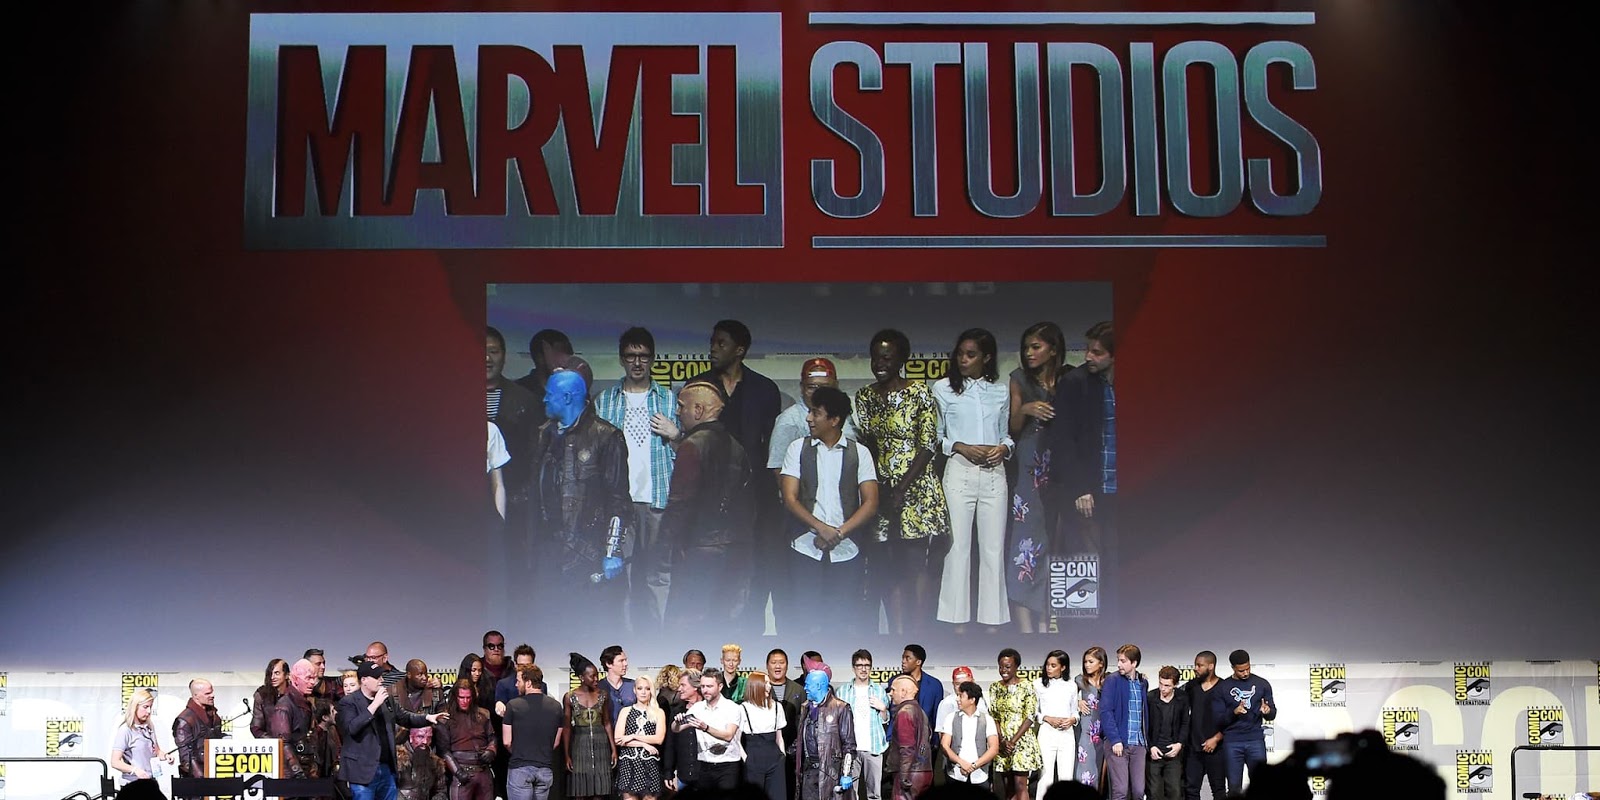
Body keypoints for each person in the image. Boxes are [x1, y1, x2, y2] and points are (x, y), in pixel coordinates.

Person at [691, 319, 782, 636]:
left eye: (721, 343)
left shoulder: (764, 389)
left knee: (753, 572)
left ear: (740, 350)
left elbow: (771, 447)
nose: (713, 349)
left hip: (756, 498)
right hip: (709, 499)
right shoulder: (699, 387)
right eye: (712, 342)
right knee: (714, 575)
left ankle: (751, 643)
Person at [855, 330, 948, 636]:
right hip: (881, 490)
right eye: (875, 358)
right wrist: (880, 487)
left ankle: (916, 635)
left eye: (886, 358)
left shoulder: (919, 392)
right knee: (887, 564)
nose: (879, 364)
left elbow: (928, 444)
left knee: (914, 563)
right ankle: (896, 634)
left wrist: (902, 488)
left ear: (901, 360)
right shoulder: (865, 396)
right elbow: (867, 443)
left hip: (917, 489)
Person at [594, 327, 680, 630]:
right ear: (621, 359)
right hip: (619, 502)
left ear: (653, 358)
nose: (637, 362)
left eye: (643, 356)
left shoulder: (669, 400)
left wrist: (676, 435)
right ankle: (625, 642)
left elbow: (688, 455)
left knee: (659, 574)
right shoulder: (605, 401)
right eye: (631, 356)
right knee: (622, 575)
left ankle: (662, 640)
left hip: (658, 498)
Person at [529, 369, 632, 615]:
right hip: (549, 549)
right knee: (548, 621)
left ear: (567, 397)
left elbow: (618, 498)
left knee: (587, 621)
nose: (544, 399)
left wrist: (612, 551)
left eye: (549, 394)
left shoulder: (606, 436)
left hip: (587, 550)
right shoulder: (544, 434)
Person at [779, 387, 880, 633]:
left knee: (840, 622)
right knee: (805, 620)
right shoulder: (797, 449)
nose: (809, 418)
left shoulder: (859, 453)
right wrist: (820, 528)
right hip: (805, 546)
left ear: (834, 420)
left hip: (847, 548)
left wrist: (839, 533)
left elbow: (870, 502)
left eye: (816, 413)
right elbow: (790, 498)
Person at [934, 328, 1014, 628]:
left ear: (987, 357)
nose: (963, 360)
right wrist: (960, 447)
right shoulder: (942, 388)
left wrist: (1004, 449)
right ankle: (956, 621)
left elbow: (1006, 434)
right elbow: (936, 437)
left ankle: (993, 621)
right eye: (960, 354)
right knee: (957, 548)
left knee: (993, 549)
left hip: (994, 474)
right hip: (959, 471)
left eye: (971, 355)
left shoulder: (1000, 390)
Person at [661, 379, 755, 626]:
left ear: (698, 410)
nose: (677, 412)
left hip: (698, 551)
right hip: (737, 548)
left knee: (689, 625)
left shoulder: (692, 446)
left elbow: (680, 503)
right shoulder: (737, 447)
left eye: (682, 406)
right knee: (724, 624)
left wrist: (665, 544)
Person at [1045, 322, 1116, 618]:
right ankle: (1082, 633)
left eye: (1097, 352)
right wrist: (1080, 487)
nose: (1088, 356)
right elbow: (1063, 440)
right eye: (1088, 350)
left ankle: (1121, 627)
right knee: (1082, 563)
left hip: (1123, 489)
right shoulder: (1075, 383)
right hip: (1088, 490)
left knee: (1118, 562)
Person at [1005, 322, 1069, 631]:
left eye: (1036, 347)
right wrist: (1027, 409)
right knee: (1026, 543)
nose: (1029, 353)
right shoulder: (1019, 379)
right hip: (1029, 465)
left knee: (1055, 542)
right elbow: (1013, 427)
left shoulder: (1070, 378)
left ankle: (1047, 622)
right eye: (1026, 347)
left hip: (1060, 465)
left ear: (1053, 350)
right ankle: (1025, 627)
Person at [337, 661, 449, 800]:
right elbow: (351, 728)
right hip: (362, 771)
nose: (381, 680)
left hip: (386, 768)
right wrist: (374, 705)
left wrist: (427, 717)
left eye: (381, 676)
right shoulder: (349, 702)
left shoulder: (386, 699)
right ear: (364, 680)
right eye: (377, 677)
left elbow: (405, 717)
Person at [1208, 649, 1275, 796]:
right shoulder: (1222, 688)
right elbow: (1218, 720)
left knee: (1261, 785)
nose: (1245, 673)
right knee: (1233, 787)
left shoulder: (1262, 684)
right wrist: (1234, 712)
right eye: (1241, 671)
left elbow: (1272, 714)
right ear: (1233, 668)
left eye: (1248, 668)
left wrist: (1267, 711)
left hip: (1255, 740)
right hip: (1232, 742)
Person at [674, 667, 743, 792]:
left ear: (720, 686)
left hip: (728, 765)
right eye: (703, 686)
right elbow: (676, 729)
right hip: (705, 765)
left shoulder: (732, 708)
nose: (705, 690)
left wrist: (706, 728)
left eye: (709, 686)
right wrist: (677, 722)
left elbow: (728, 735)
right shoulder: (697, 708)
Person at [504, 664, 564, 800]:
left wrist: (520, 753)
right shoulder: (556, 707)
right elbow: (555, 742)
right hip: (545, 769)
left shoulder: (513, 705)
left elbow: (507, 742)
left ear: (528, 683)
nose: (516, 685)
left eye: (518, 681)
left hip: (520, 769)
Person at [795, 668, 857, 800]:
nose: (805, 688)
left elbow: (849, 745)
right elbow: (800, 739)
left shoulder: (841, 708)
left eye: (808, 685)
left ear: (819, 685)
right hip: (809, 773)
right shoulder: (805, 707)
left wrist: (846, 774)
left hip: (830, 773)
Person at [1098, 645, 1149, 800]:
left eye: (1123, 661)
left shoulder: (1143, 682)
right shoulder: (1112, 680)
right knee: (1120, 790)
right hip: (1118, 743)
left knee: (1139, 791)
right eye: (1118, 660)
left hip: (1138, 743)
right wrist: (1115, 740)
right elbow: (1106, 711)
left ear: (1134, 663)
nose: (1119, 664)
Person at [564, 652, 617, 800]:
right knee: (580, 790)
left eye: (597, 675)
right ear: (582, 677)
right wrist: (567, 755)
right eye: (592, 676)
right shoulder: (570, 697)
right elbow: (567, 728)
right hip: (579, 745)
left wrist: (613, 749)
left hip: (601, 745)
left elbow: (607, 722)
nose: (596, 679)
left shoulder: (603, 695)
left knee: (600, 790)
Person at [989, 648, 1040, 800]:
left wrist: (1012, 741)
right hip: (1002, 742)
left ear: (1017, 667)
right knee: (1007, 786)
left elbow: (1030, 716)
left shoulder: (1027, 686)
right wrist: (1002, 740)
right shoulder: (995, 687)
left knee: (1020, 785)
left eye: (1007, 666)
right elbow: (994, 716)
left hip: (1021, 740)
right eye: (1001, 667)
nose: (1003, 670)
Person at [438, 678, 496, 800]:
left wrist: (491, 750)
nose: (465, 701)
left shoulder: (483, 714)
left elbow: (492, 737)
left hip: (483, 770)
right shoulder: (445, 718)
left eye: (468, 697)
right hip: (461, 770)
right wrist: (457, 772)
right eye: (461, 697)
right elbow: (444, 751)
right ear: (455, 697)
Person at [1033, 650, 1079, 799]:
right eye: (1047, 665)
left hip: (1067, 734)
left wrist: (1072, 720)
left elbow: (1075, 711)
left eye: (1053, 665)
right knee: (1045, 776)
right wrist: (1047, 718)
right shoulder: (1038, 684)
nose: (1049, 668)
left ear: (1063, 667)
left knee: (1066, 777)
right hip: (1047, 733)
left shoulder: (1071, 685)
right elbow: (1033, 712)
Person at [843, 650, 889, 800]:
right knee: (850, 793)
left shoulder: (879, 690)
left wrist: (883, 709)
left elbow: (885, 720)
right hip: (851, 749)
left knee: (874, 794)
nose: (863, 669)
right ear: (853, 668)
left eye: (867, 665)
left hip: (873, 747)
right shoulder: (843, 691)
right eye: (859, 665)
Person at [1182, 651, 1227, 800]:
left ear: (1211, 666)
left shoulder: (1224, 688)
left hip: (1217, 749)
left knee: (1219, 790)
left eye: (1200, 665)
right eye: (1195, 665)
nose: (1196, 668)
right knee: (1191, 790)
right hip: (1193, 748)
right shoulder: (1191, 686)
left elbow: (1232, 720)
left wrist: (1216, 739)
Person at [616, 674, 667, 800]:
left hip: (649, 763)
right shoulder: (626, 711)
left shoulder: (658, 712)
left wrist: (632, 736)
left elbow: (658, 739)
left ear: (651, 691)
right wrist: (643, 744)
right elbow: (618, 739)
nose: (643, 692)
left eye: (647, 688)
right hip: (628, 763)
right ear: (634, 690)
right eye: (640, 688)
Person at [939, 682, 997, 790]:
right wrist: (961, 763)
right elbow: (944, 745)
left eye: (961, 696)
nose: (957, 699)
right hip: (955, 773)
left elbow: (994, 748)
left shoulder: (987, 720)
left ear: (972, 700)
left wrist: (974, 766)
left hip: (980, 775)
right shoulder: (951, 718)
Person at [111, 688, 174, 785]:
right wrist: (135, 770)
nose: (149, 711)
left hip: (150, 781)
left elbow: (157, 751)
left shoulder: (149, 727)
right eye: (145, 707)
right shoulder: (126, 730)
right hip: (132, 784)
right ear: (135, 707)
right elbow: (115, 762)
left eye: (150, 707)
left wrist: (166, 756)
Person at [740, 672, 788, 800]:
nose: (769, 686)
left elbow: (779, 737)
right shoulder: (743, 708)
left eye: (769, 683)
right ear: (755, 686)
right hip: (753, 757)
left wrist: (782, 755)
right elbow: (735, 739)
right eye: (765, 683)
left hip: (775, 758)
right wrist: (746, 759)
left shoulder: (777, 707)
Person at [884, 674, 932, 800]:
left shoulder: (904, 713)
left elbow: (907, 748)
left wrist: (904, 775)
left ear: (903, 692)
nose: (890, 693)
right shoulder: (921, 711)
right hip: (924, 770)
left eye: (893, 690)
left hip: (910, 774)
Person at [1145, 666, 1189, 800]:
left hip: (1173, 753)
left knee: (1175, 792)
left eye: (1167, 685)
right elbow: (1144, 725)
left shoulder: (1182, 698)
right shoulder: (1150, 698)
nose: (1162, 688)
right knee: (1154, 793)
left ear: (1175, 685)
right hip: (1154, 753)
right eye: (1160, 684)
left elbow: (1185, 723)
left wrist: (1179, 744)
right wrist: (1151, 746)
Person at [172, 679, 224, 790]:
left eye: (212, 692)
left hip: (218, 772)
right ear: (196, 696)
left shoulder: (215, 717)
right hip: (196, 782)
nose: (212, 695)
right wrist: (202, 780)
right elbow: (186, 757)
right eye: (207, 693)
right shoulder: (184, 720)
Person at [516, 328, 576, 418]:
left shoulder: (574, 389)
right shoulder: (519, 391)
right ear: (540, 357)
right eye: (560, 353)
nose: (567, 359)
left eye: (569, 353)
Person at [664, 668, 704, 792]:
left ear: (695, 686)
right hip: (683, 776)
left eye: (683, 685)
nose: (679, 689)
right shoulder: (676, 711)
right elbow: (670, 744)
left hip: (706, 776)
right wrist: (669, 772)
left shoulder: (710, 710)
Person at [1073, 647, 1107, 789]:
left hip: (1103, 733)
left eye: (1091, 662)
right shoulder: (1079, 680)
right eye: (1085, 662)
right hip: (1085, 731)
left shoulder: (1109, 681)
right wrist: (1077, 702)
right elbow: (1067, 699)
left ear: (1101, 663)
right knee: (1084, 767)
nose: (1087, 665)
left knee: (1098, 769)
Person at [396, 726, 449, 800]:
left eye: (429, 737)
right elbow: (387, 787)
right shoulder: (397, 759)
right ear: (411, 738)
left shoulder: (435, 763)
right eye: (420, 737)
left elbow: (441, 791)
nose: (425, 741)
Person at [899, 646, 944, 729]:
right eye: (903, 658)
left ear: (918, 662)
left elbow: (936, 716)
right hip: (900, 732)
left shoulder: (934, 685)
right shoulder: (896, 682)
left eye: (908, 658)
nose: (903, 661)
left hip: (925, 733)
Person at [251, 657, 291, 739]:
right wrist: (274, 742)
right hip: (271, 743)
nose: (272, 677)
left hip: (293, 743)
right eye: (270, 674)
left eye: (277, 673)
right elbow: (256, 728)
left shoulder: (295, 695)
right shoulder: (262, 695)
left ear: (287, 675)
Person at [602, 645, 637, 720]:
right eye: (621, 661)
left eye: (625, 660)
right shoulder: (599, 687)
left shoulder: (633, 685)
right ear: (608, 664)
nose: (626, 664)